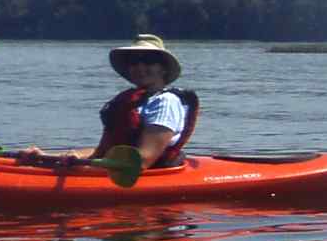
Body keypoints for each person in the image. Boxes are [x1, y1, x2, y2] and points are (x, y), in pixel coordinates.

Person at [23, 34, 198, 169]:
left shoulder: (165, 103)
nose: (140, 67)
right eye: (133, 61)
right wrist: (47, 156)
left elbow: (143, 160)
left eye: (149, 61)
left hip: (144, 173)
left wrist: (82, 168)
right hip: (114, 167)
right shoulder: (132, 102)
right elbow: (103, 152)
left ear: (163, 68)